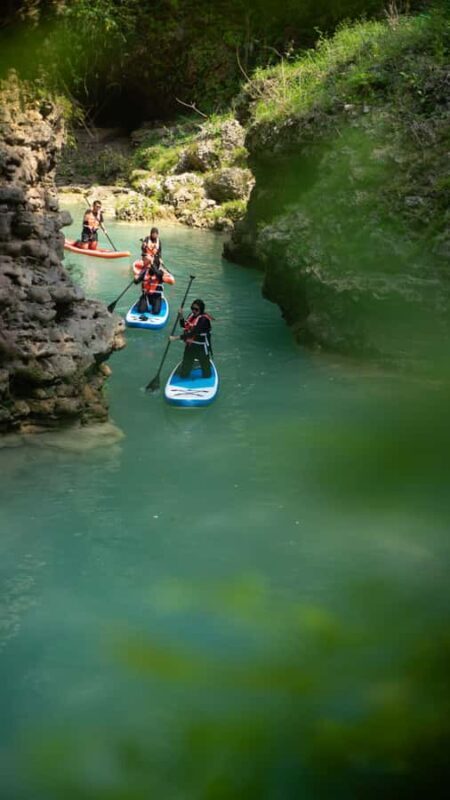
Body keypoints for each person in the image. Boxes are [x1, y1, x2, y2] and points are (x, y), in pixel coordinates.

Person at [169, 299, 212, 378]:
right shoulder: (191, 316)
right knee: (184, 373)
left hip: (201, 348)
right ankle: (189, 368)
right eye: (192, 308)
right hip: (190, 347)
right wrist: (181, 316)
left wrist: (176, 338)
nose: (194, 311)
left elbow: (193, 333)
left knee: (207, 374)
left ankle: (204, 366)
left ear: (201, 310)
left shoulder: (204, 320)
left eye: (196, 309)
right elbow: (184, 326)